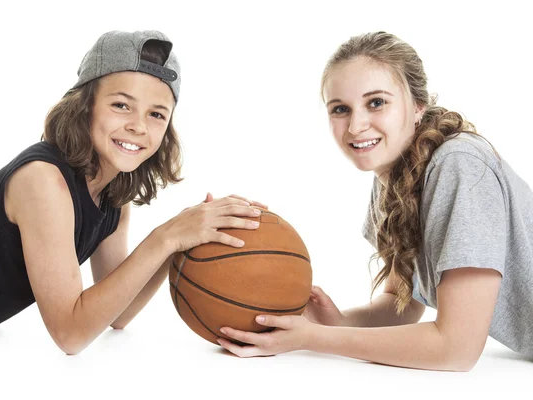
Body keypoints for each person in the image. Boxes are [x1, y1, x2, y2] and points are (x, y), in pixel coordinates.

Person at [217, 31, 533, 371]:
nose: (356, 125)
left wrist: (312, 339)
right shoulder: (394, 179)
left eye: (376, 102)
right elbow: (402, 304)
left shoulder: (459, 164)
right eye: (340, 109)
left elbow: (456, 347)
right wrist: (333, 323)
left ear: (417, 107)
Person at [0, 30, 264, 354]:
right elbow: (71, 333)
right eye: (121, 105)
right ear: (84, 105)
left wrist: (182, 238)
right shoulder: (44, 181)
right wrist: (165, 237)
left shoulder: (113, 194)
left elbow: (118, 313)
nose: (138, 125)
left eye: (157, 114)